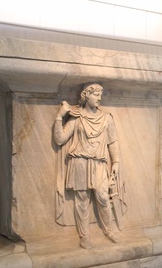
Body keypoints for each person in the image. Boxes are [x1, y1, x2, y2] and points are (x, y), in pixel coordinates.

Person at [53, 83, 125, 249]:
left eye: (100, 95)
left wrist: (116, 161)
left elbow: (113, 142)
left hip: (99, 162)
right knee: (82, 200)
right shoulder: (77, 117)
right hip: (79, 162)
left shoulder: (106, 118)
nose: (99, 98)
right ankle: (84, 235)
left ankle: (109, 230)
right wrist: (59, 116)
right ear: (86, 96)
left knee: (103, 197)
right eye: (96, 95)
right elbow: (60, 139)